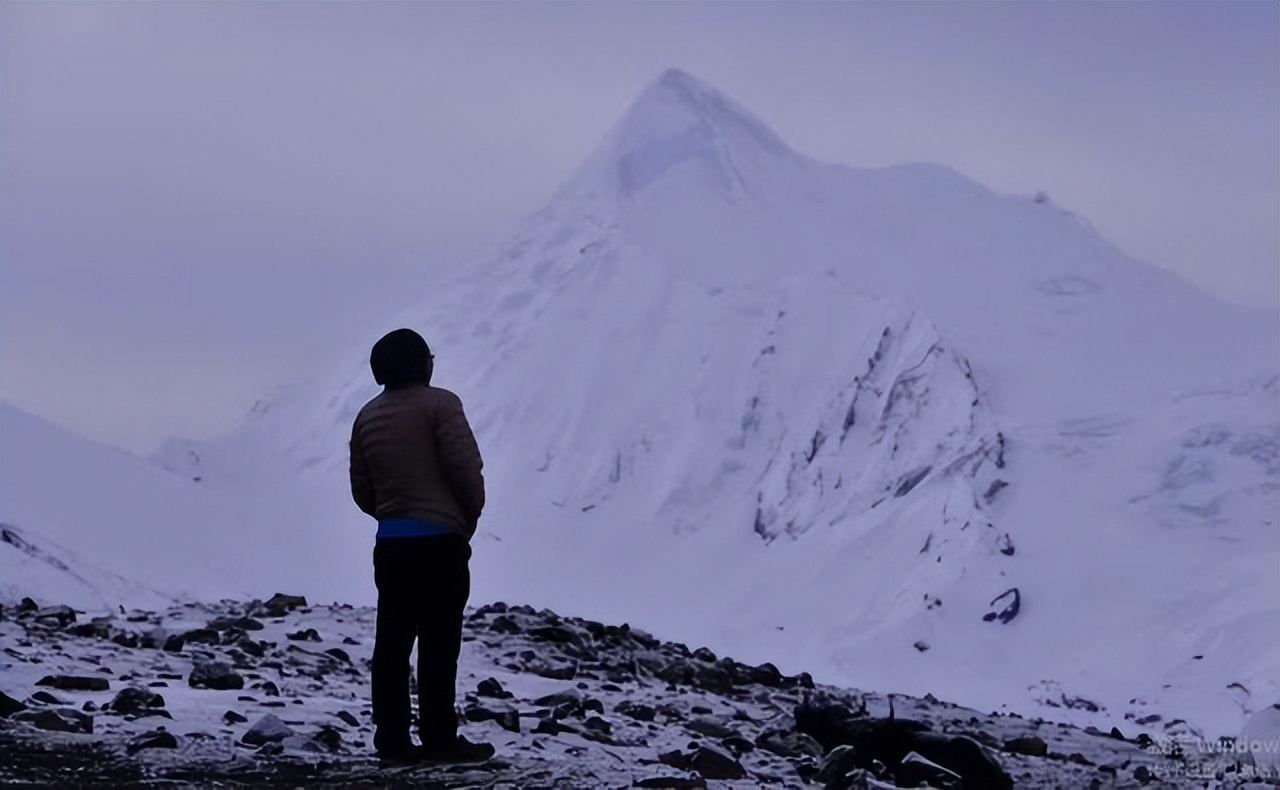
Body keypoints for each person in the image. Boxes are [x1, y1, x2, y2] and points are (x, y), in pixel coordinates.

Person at [348, 328, 493, 764]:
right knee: (439, 644)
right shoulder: (441, 405)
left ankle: (391, 739)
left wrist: (392, 515)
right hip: (440, 542)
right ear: (421, 364)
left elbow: (362, 489)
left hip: (391, 545)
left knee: (392, 644)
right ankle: (439, 737)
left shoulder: (366, 417)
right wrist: (467, 515)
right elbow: (464, 468)